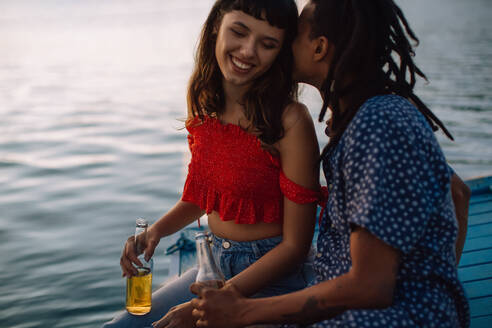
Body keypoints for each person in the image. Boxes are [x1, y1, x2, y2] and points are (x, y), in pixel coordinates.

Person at [190, 0, 470, 327]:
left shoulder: (376, 123)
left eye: (294, 34)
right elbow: (458, 192)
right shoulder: (373, 112)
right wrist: (438, 285)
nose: (279, 45)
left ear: (319, 48)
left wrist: (240, 312)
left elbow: (370, 287)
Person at [103, 0, 324, 327]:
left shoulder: (290, 121)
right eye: (239, 31)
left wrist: (214, 303)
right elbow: (204, 195)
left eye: (267, 44)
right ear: (217, 25)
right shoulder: (203, 101)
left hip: (273, 281)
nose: (248, 51)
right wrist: (155, 232)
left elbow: (296, 246)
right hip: (215, 266)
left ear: (281, 52)